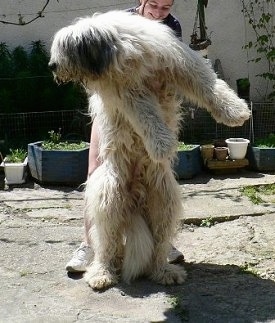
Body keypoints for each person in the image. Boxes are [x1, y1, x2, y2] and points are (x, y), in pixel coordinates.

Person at [66, 0, 184, 273]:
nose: (158, 12)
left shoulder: (172, 27)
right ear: (141, 1)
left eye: (165, 8)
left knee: (157, 177)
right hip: (113, 112)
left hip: (152, 115)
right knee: (97, 172)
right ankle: (90, 247)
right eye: (153, 4)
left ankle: (160, 247)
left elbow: (169, 73)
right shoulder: (119, 23)